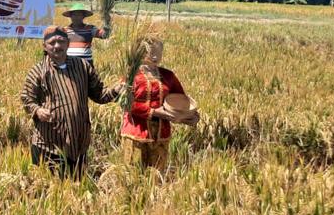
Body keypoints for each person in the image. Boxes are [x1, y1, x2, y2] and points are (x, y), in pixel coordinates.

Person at [19, 26, 123, 178]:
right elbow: (27, 98)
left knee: (76, 189)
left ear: (68, 43)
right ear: (44, 46)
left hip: (78, 142)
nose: (57, 46)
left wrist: (117, 89)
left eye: (61, 41)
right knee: (49, 191)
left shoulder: (83, 67)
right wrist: (38, 110)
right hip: (49, 144)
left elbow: (100, 94)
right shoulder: (38, 71)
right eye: (52, 42)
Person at [121, 36, 199, 171]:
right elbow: (126, 103)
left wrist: (190, 116)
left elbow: (181, 101)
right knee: (133, 175)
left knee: (156, 177)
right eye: (152, 53)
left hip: (161, 135)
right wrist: (155, 112)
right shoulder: (131, 75)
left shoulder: (168, 76)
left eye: (159, 53)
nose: (156, 57)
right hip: (136, 132)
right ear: (141, 52)